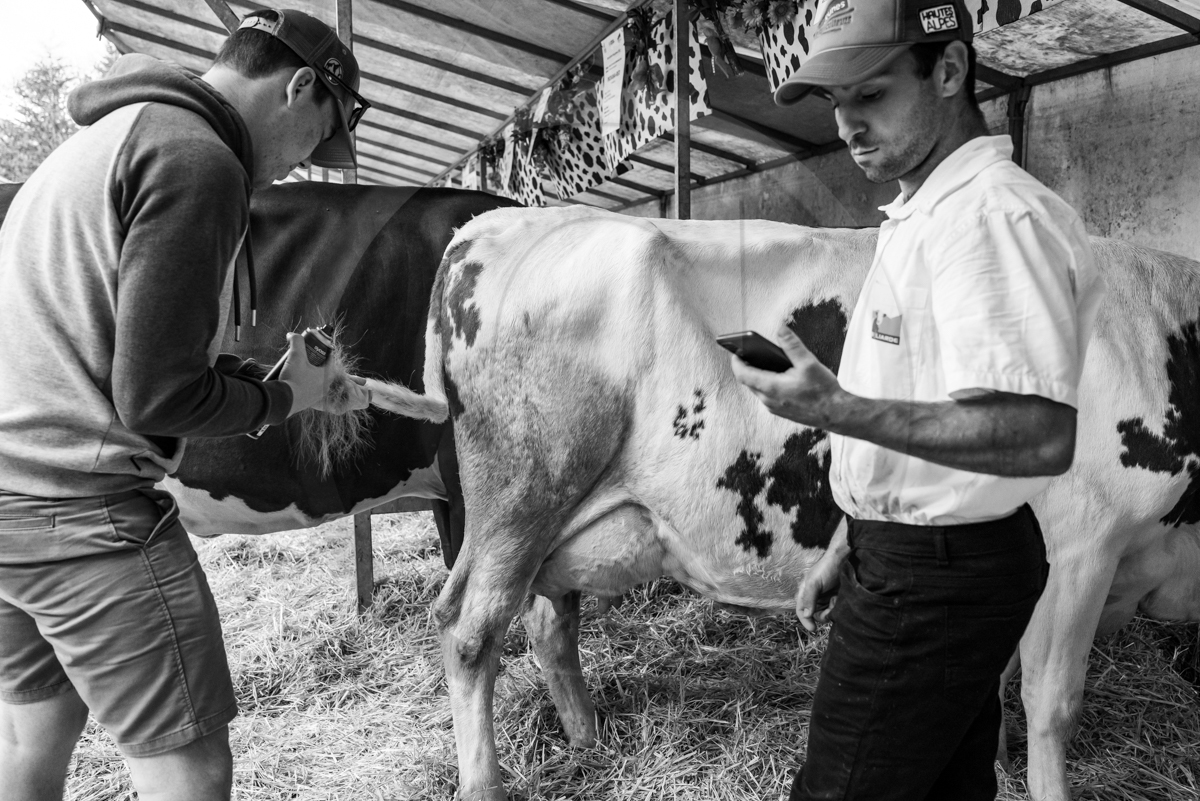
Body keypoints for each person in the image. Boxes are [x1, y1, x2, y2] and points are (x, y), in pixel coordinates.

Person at [732, 1, 1106, 799]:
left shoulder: (990, 219)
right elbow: (923, 402)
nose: (846, 126)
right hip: (920, 557)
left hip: (938, 578)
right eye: (836, 104)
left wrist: (835, 410)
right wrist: (850, 540)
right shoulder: (928, 209)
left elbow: (1036, 437)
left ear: (948, 70)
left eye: (870, 95)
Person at [0, 9, 371, 801]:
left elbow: (119, 342)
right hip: (79, 513)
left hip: (10, 502)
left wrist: (250, 372)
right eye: (318, 137)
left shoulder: (118, 134)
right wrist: (282, 397)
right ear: (299, 87)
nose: (305, 166)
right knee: (191, 773)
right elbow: (155, 396)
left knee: (31, 738)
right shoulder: (198, 161)